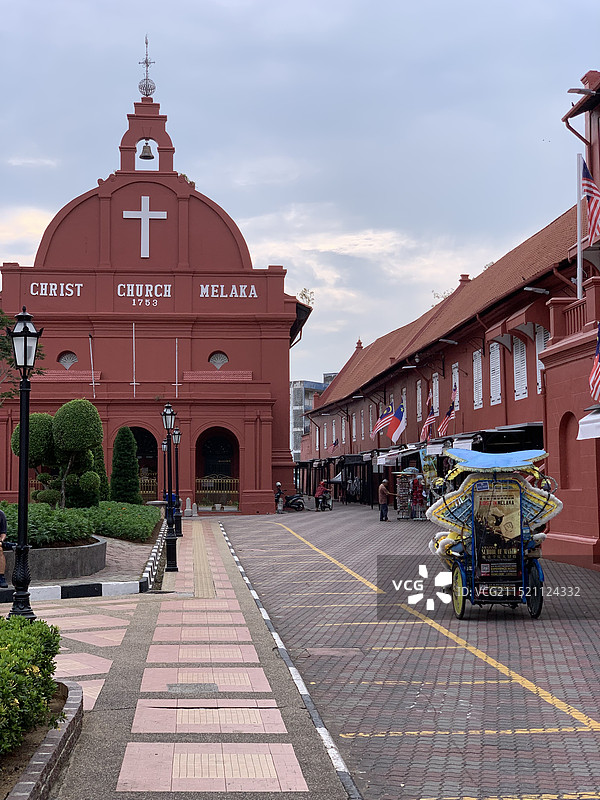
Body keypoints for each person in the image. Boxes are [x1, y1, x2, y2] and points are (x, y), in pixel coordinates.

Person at [0, 508, 9, 588]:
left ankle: (1, 576)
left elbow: (3, 533)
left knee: (0, 549)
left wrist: (1, 541)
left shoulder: (0, 514)